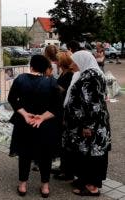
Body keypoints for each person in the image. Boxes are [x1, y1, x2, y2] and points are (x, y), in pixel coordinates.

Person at [8, 55, 63, 198]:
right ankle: (45, 186)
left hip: (24, 123)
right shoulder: (51, 82)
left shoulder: (20, 79)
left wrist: (25, 114)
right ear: (45, 68)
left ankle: (23, 185)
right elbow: (57, 107)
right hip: (44, 125)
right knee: (45, 156)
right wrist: (42, 117)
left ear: (31, 66)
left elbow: (12, 99)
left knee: (24, 154)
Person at [63, 50, 111, 196]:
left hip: (92, 125)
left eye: (73, 62)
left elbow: (94, 104)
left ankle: (92, 187)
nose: (71, 65)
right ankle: (85, 181)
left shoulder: (92, 76)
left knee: (93, 156)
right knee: (86, 155)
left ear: (82, 61)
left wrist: (88, 126)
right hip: (86, 123)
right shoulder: (88, 73)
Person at [52, 52, 74, 180]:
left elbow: (60, 89)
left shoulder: (69, 75)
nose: (56, 62)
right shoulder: (63, 73)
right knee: (62, 140)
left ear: (63, 62)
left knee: (65, 140)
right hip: (60, 108)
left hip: (65, 110)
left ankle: (67, 170)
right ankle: (62, 167)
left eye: (58, 60)